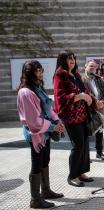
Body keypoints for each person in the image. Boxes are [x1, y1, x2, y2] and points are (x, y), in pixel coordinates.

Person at [17, 60, 64, 208]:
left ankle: (46, 191)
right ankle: (35, 199)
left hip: (45, 132)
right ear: (29, 73)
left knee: (45, 161)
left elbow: (48, 109)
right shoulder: (25, 92)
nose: (41, 73)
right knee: (36, 164)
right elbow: (33, 121)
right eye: (37, 71)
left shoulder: (38, 88)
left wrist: (57, 121)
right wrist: (53, 127)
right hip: (36, 134)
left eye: (41, 70)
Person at [53, 50, 103, 187]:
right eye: (69, 58)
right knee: (78, 145)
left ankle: (81, 172)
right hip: (71, 117)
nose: (72, 61)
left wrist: (94, 101)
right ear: (63, 60)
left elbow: (85, 92)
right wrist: (79, 97)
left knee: (85, 143)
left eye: (74, 58)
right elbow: (60, 98)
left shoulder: (75, 75)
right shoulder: (59, 76)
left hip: (82, 115)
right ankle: (72, 176)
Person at [82, 60, 104, 161]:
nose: (93, 68)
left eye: (95, 67)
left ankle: (99, 152)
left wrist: (102, 101)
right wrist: (94, 102)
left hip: (99, 109)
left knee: (99, 131)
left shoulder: (99, 79)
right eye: (91, 66)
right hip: (87, 109)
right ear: (85, 66)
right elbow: (83, 94)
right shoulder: (81, 79)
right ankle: (86, 156)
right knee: (85, 132)